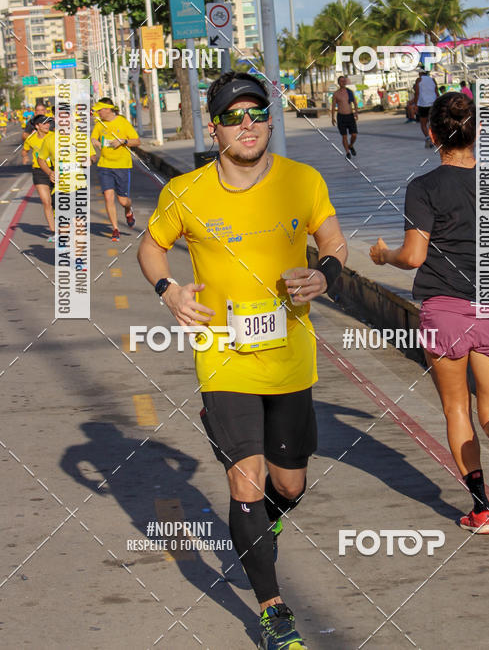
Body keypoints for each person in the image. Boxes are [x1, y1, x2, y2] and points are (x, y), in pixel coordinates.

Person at [137, 71, 347, 649]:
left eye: (256, 112)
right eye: (234, 116)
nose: (247, 123)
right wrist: (170, 292)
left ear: (270, 120)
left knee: (291, 482)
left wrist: (323, 275)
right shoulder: (186, 192)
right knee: (246, 485)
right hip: (222, 355)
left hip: (289, 355)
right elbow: (151, 246)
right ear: (215, 127)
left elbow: (333, 242)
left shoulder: (301, 180)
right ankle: (273, 609)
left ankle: (263, 525)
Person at [369, 92, 489, 534]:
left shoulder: (424, 187)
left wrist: (383, 256)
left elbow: (414, 257)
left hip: (446, 307)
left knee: (457, 409)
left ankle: (481, 510)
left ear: (431, 133)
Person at [91, 98, 140, 241]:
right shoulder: (99, 124)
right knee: (108, 196)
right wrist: (94, 141)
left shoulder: (122, 122)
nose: (98, 112)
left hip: (122, 165)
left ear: (107, 109)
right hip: (105, 165)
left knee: (123, 201)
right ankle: (115, 229)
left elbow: (137, 141)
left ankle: (128, 210)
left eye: (100, 110)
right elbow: (93, 137)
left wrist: (123, 141)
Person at [22, 114, 55, 239]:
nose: (47, 125)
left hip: (55, 170)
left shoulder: (54, 136)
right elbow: (25, 150)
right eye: (44, 123)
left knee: (57, 202)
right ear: (37, 126)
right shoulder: (31, 139)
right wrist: (25, 156)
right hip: (39, 171)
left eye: (48, 123)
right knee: (46, 202)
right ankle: (53, 232)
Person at [331, 74, 359, 159]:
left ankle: (350, 145)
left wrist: (356, 112)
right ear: (338, 83)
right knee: (344, 135)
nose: (343, 82)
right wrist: (333, 117)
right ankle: (347, 152)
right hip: (341, 117)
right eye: (342, 81)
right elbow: (333, 106)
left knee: (354, 134)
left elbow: (354, 102)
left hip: (350, 116)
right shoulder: (336, 94)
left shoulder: (349, 92)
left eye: (344, 81)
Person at [413, 64, 439, 148]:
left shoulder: (419, 80)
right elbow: (436, 92)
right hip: (433, 104)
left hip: (423, 104)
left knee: (423, 124)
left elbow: (417, 93)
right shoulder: (432, 80)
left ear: (420, 73)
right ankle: (434, 138)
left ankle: (428, 139)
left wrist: (415, 104)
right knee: (432, 123)